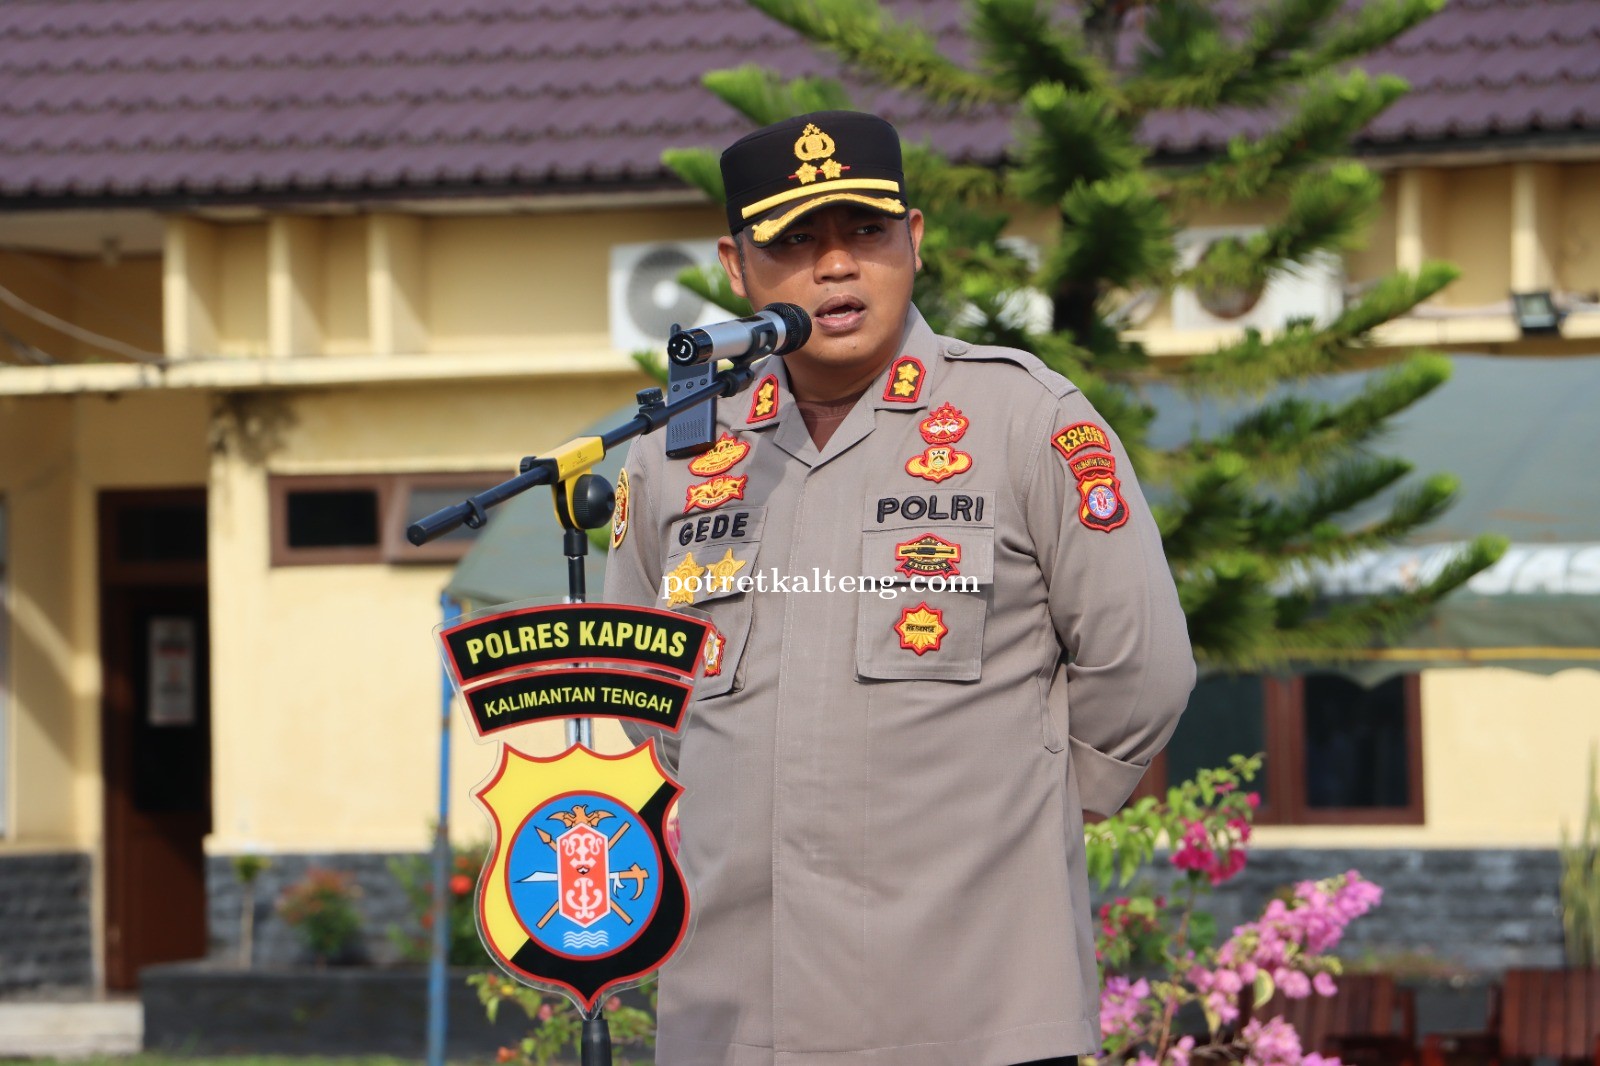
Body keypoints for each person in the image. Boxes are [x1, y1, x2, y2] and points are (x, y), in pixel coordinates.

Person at [603, 110, 1195, 1066]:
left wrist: (1028, 813)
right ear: (735, 267)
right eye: (793, 241)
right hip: (737, 1016)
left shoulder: (1020, 418)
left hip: (972, 1006)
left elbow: (1143, 666)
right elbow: (643, 687)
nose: (836, 267)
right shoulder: (680, 452)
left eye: (865, 234)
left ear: (913, 243)